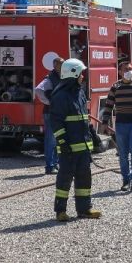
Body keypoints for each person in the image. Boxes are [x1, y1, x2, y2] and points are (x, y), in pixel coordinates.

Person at [50, 58, 101, 221]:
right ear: (73, 74)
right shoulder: (60, 95)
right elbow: (56, 122)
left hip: (83, 147)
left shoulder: (78, 92)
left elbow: (83, 118)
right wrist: (63, 143)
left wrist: (93, 135)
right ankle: (60, 211)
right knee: (64, 179)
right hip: (69, 148)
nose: (83, 77)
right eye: (81, 74)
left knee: (84, 179)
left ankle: (84, 209)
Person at [100, 60, 132, 192]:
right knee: (123, 154)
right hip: (121, 124)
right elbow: (108, 105)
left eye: (130, 69)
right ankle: (125, 180)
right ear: (119, 72)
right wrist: (105, 122)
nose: (129, 71)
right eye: (125, 69)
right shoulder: (115, 87)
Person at [34, 58, 63, 174]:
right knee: (51, 140)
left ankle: (55, 164)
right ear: (55, 65)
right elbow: (38, 90)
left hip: (59, 113)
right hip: (50, 113)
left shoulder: (63, 77)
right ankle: (49, 166)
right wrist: (49, 102)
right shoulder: (50, 78)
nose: (62, 66)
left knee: (59, 140)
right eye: (61, 64)